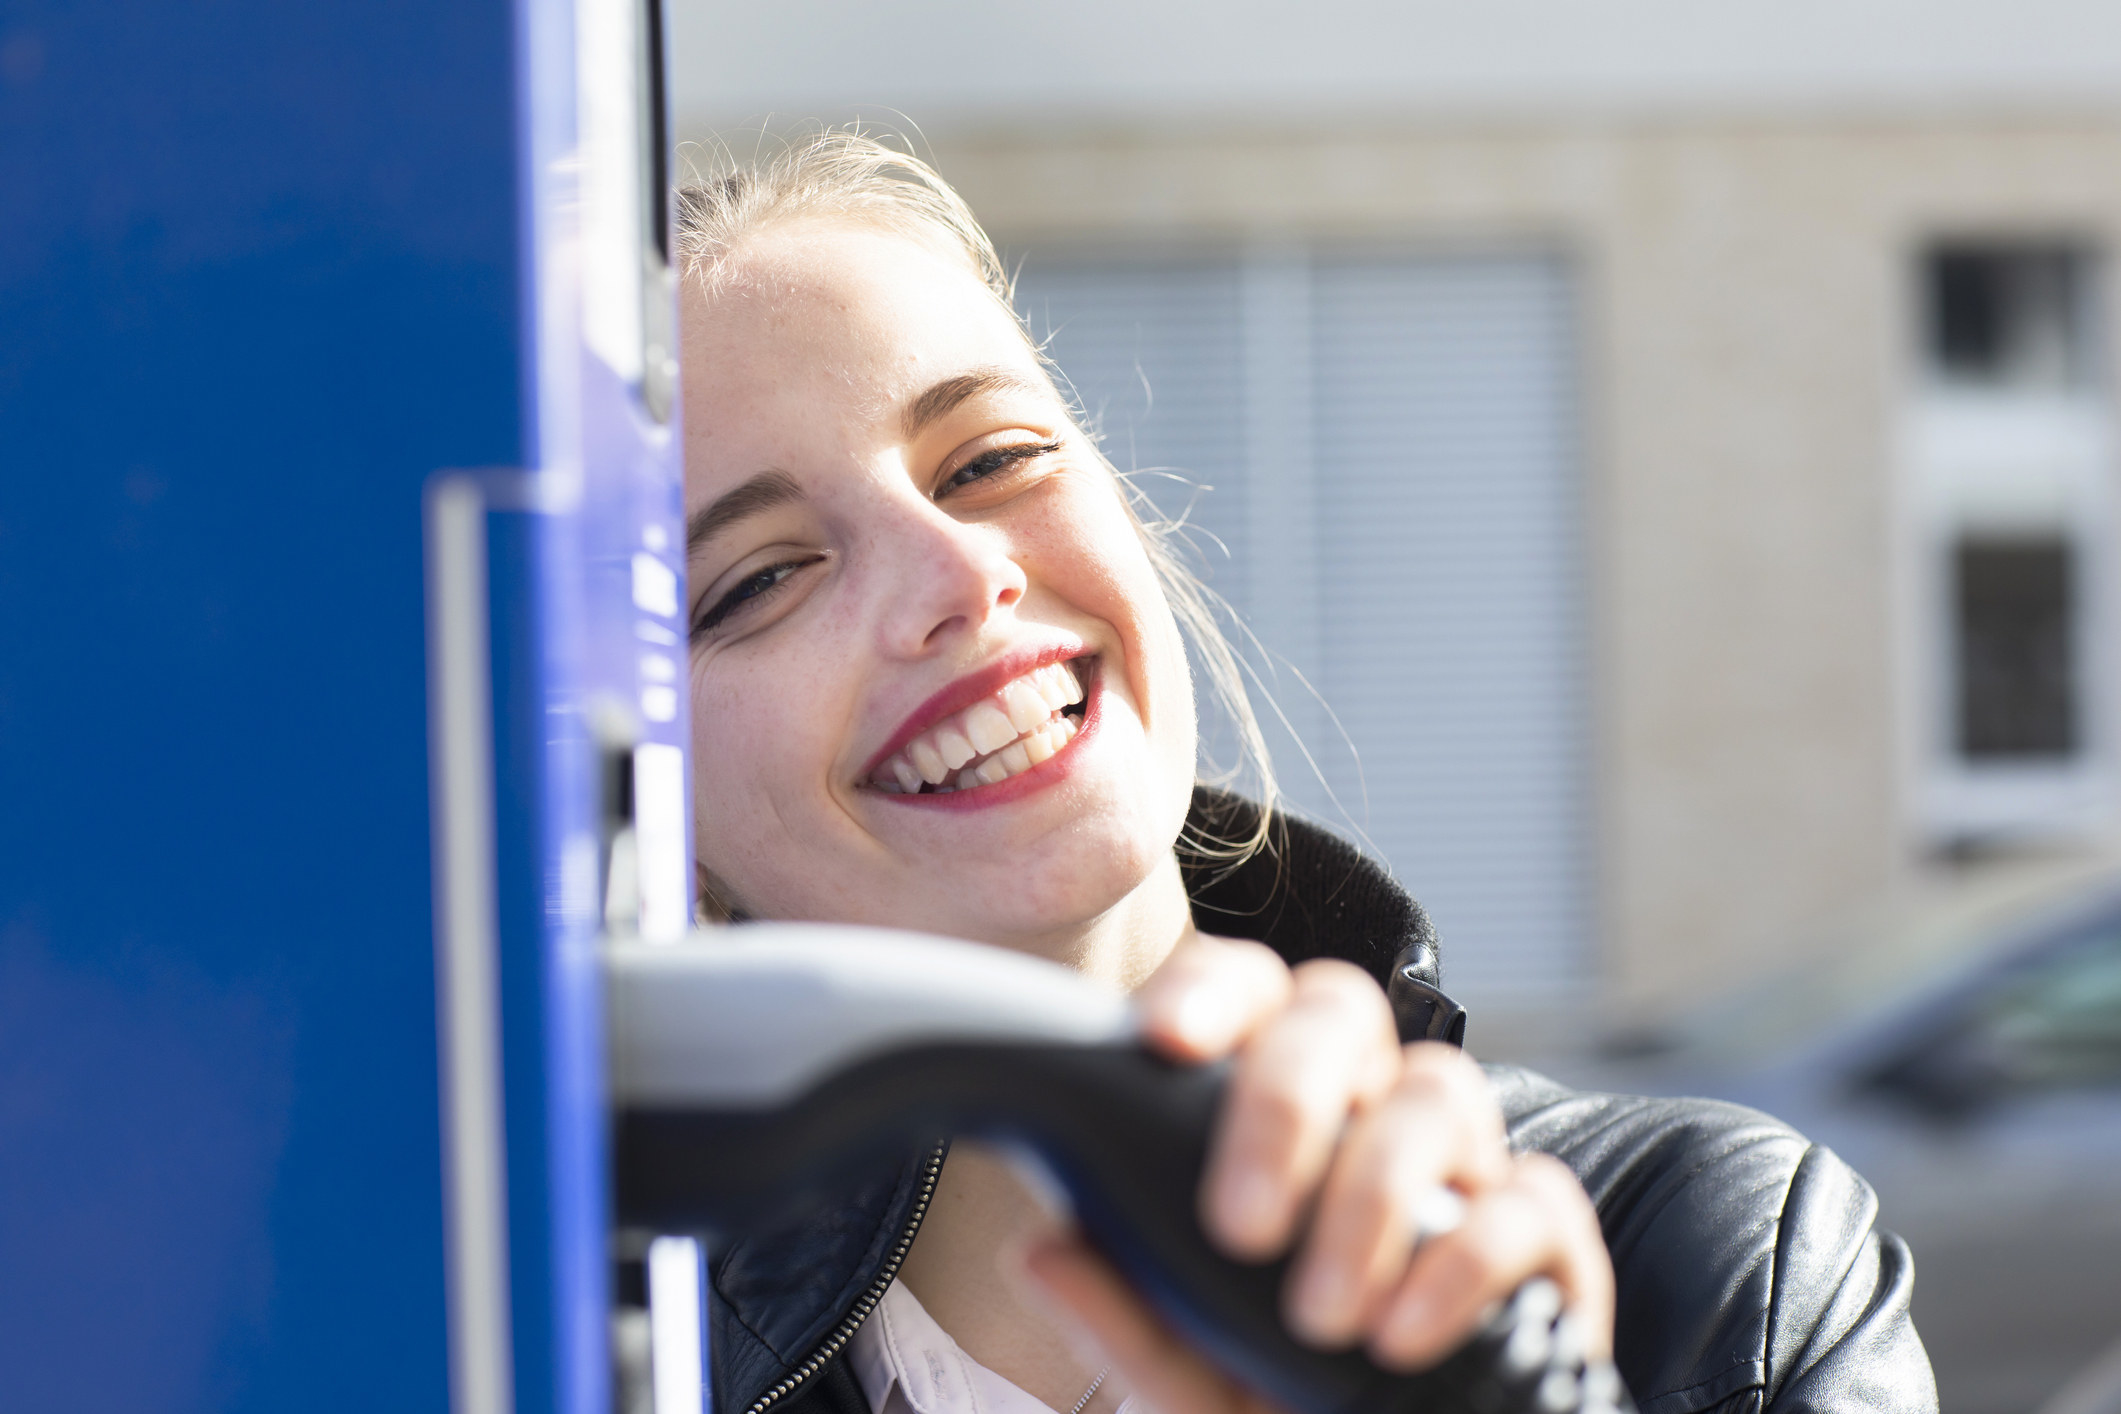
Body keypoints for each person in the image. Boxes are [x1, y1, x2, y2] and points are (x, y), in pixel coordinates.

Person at [673, 131, 1936, 1414]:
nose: (958, 575)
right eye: (762, 578)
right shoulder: (584, 1361)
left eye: (993, 460)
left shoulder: (1718, 1263)